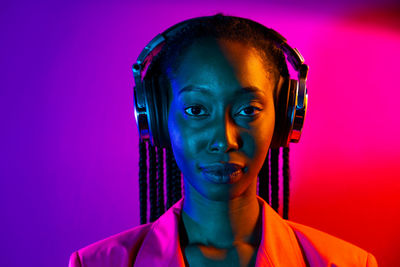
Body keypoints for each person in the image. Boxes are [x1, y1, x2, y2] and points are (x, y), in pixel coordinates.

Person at [68, 14, 378, 267]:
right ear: (159, 117)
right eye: (196, 109)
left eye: (248, 110)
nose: (224, 140)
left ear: (284, 117)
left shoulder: (347, 263)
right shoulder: (96, 263)